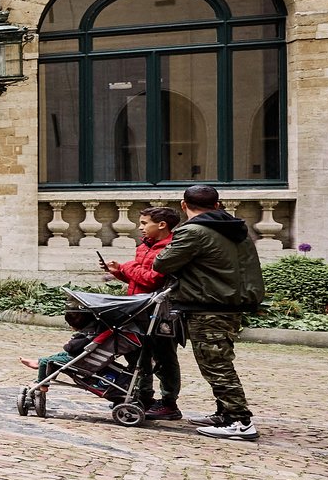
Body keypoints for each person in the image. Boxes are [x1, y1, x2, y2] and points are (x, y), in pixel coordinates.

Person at [152, 185, 266, 440]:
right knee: (218, 359)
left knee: (216, 364)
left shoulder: (192, 231)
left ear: (184, 205)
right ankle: (224, 413)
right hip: (229, 303)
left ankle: (239, 421)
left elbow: (162, 263)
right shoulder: (235, 229)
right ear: (217, 205)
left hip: (207, 306)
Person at [108, 205, 184, 420]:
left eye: (144, 223)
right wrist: (120, 273)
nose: (140, 227)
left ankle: (169, 403)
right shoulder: (144, 246)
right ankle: (143, 396)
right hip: (138, 308)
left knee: (164, 357)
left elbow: (153, 279)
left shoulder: (170, 248)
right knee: (137, 355)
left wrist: (126, 267)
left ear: (162, 225)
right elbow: (139, 279)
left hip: (161, 312)